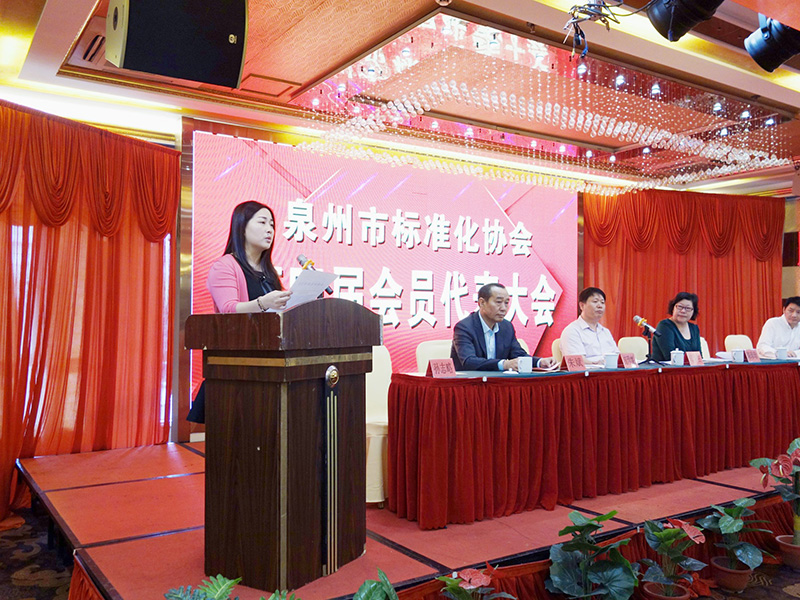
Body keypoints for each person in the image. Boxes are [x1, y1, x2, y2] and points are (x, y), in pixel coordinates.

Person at [188, 201, 293, 423]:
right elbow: (229, 309)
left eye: (272, 225)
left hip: (268, 365)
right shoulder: (225, 266)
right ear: (242, 227)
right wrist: (263, 303)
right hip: (238, 368)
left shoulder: (269, 272)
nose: (270, 230)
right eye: (262, 222)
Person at [450, 283, 557, 371]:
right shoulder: (464, 327)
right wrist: (504, 364)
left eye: (506, 303)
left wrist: (540, 362)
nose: (503, 308)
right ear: (482, 303)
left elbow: (518, 354)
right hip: (470, 384)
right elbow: (469, 361)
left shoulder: (506, 327)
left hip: (498, 383)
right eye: (498, 302)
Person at [560, 287, 618, 365]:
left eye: (602, 302)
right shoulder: (572, 331)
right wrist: (598, 363)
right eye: (595, 301)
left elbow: (616, 355)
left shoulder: (605, 331)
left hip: (610, 371)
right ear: (582, 305)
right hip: (589, 372)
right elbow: (577, 361)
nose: (600, 306)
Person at [652, 292, 701, 362]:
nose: (683, 311)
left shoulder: (694, 328)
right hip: (666, 368)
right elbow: (670, 357)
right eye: (680, 307)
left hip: (689, 368)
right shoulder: (664, 326)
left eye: (688, 308)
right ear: (673, 308)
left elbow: (699, 357)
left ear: (693, 311)